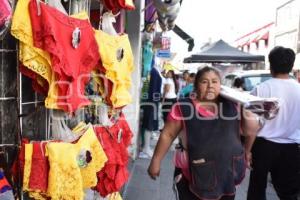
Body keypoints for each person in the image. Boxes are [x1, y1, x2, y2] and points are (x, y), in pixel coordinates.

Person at [148, 66, 261, 200]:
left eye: (214, 81)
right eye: (204, 82)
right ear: (196, 85)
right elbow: (168, 134)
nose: (210, 86)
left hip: (226, 176)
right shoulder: (183, 107)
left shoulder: (233, 105)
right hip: (191, 177)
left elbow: (250, 131)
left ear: (221, 85)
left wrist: (245, 105)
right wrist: (156, 160)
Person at [247, 46, 300, 200]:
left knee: (257, 190)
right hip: (292, 147)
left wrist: (247, 150)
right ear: (291, 66)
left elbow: (252, 126)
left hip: (263, 146)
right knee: (289, 193)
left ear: (271, 65)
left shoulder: (260, 90)